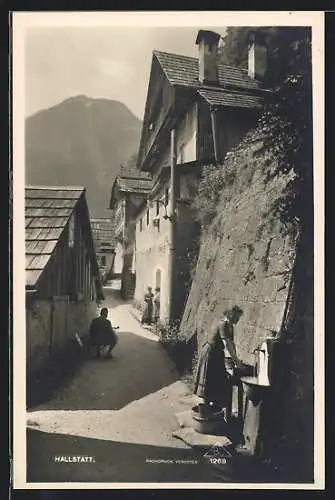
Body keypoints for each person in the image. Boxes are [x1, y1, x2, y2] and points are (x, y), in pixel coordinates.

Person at [193, 305, 243, 414]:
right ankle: (206, 411)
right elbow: (226, 344)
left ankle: (214, 409)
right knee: (209, 380)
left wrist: (236, 359)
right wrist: (236, 362)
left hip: (217, 354)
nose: (238, 320)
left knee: (218, 380)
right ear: (231, 315)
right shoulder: (223, 324)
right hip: (210, 353)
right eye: (237, 317)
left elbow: (232, 343)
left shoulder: (230, 326)